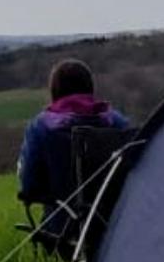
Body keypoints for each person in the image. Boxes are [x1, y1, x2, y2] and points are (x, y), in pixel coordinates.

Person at [17, 60, 130, 240]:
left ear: (55, 90)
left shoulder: (41, 127)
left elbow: (29, 186)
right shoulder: (118, 122)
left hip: (61, 230)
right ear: (89, 87)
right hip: (115, 228)